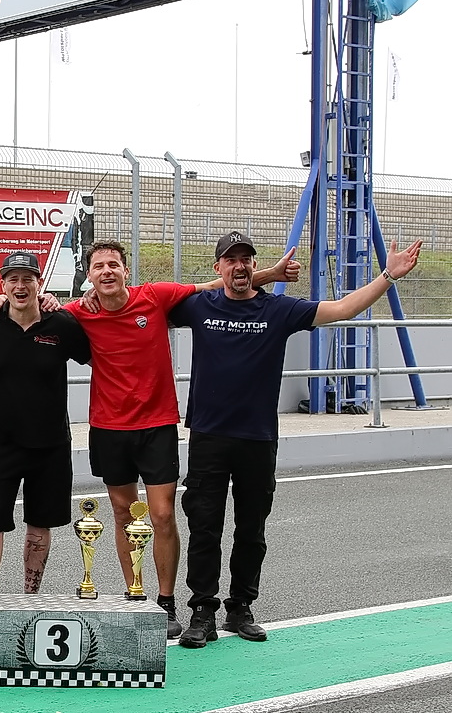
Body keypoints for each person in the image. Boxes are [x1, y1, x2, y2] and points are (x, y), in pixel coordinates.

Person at [28, 240, 296, 635]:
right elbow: (28, 309)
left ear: (126, 271)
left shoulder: (154, 296)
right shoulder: (79, 313)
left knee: (163, 514)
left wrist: (269, 274)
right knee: (123, 513)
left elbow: (216, 285)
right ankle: (135, 595)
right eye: (99, 266)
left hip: (157, 425)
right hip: (109, 428)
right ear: (89, 276)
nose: (107, 271)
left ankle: (166, 602)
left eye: (114, 264)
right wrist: (32, 299)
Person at [170, 232, 421, 648]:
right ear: (218, 267)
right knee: (204, 528)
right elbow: (143, 306)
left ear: (254, 264)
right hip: (209, 437)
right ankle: (202, 611)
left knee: (251, 529)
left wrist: (387, 277)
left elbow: (342, 308)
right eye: (230, 260)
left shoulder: (278, 310)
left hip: (257, 438)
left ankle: (240, 607)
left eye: (246, 259)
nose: (239, 266)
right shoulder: (200, 306)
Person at [0, 253, 91, 593]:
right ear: (2, 285)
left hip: (50, 445)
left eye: (27, 279)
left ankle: (30, 595)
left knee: (40, 524)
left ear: (40, 283)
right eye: (13, 279)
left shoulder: (61, 324)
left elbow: (99, 359)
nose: (20, 286)